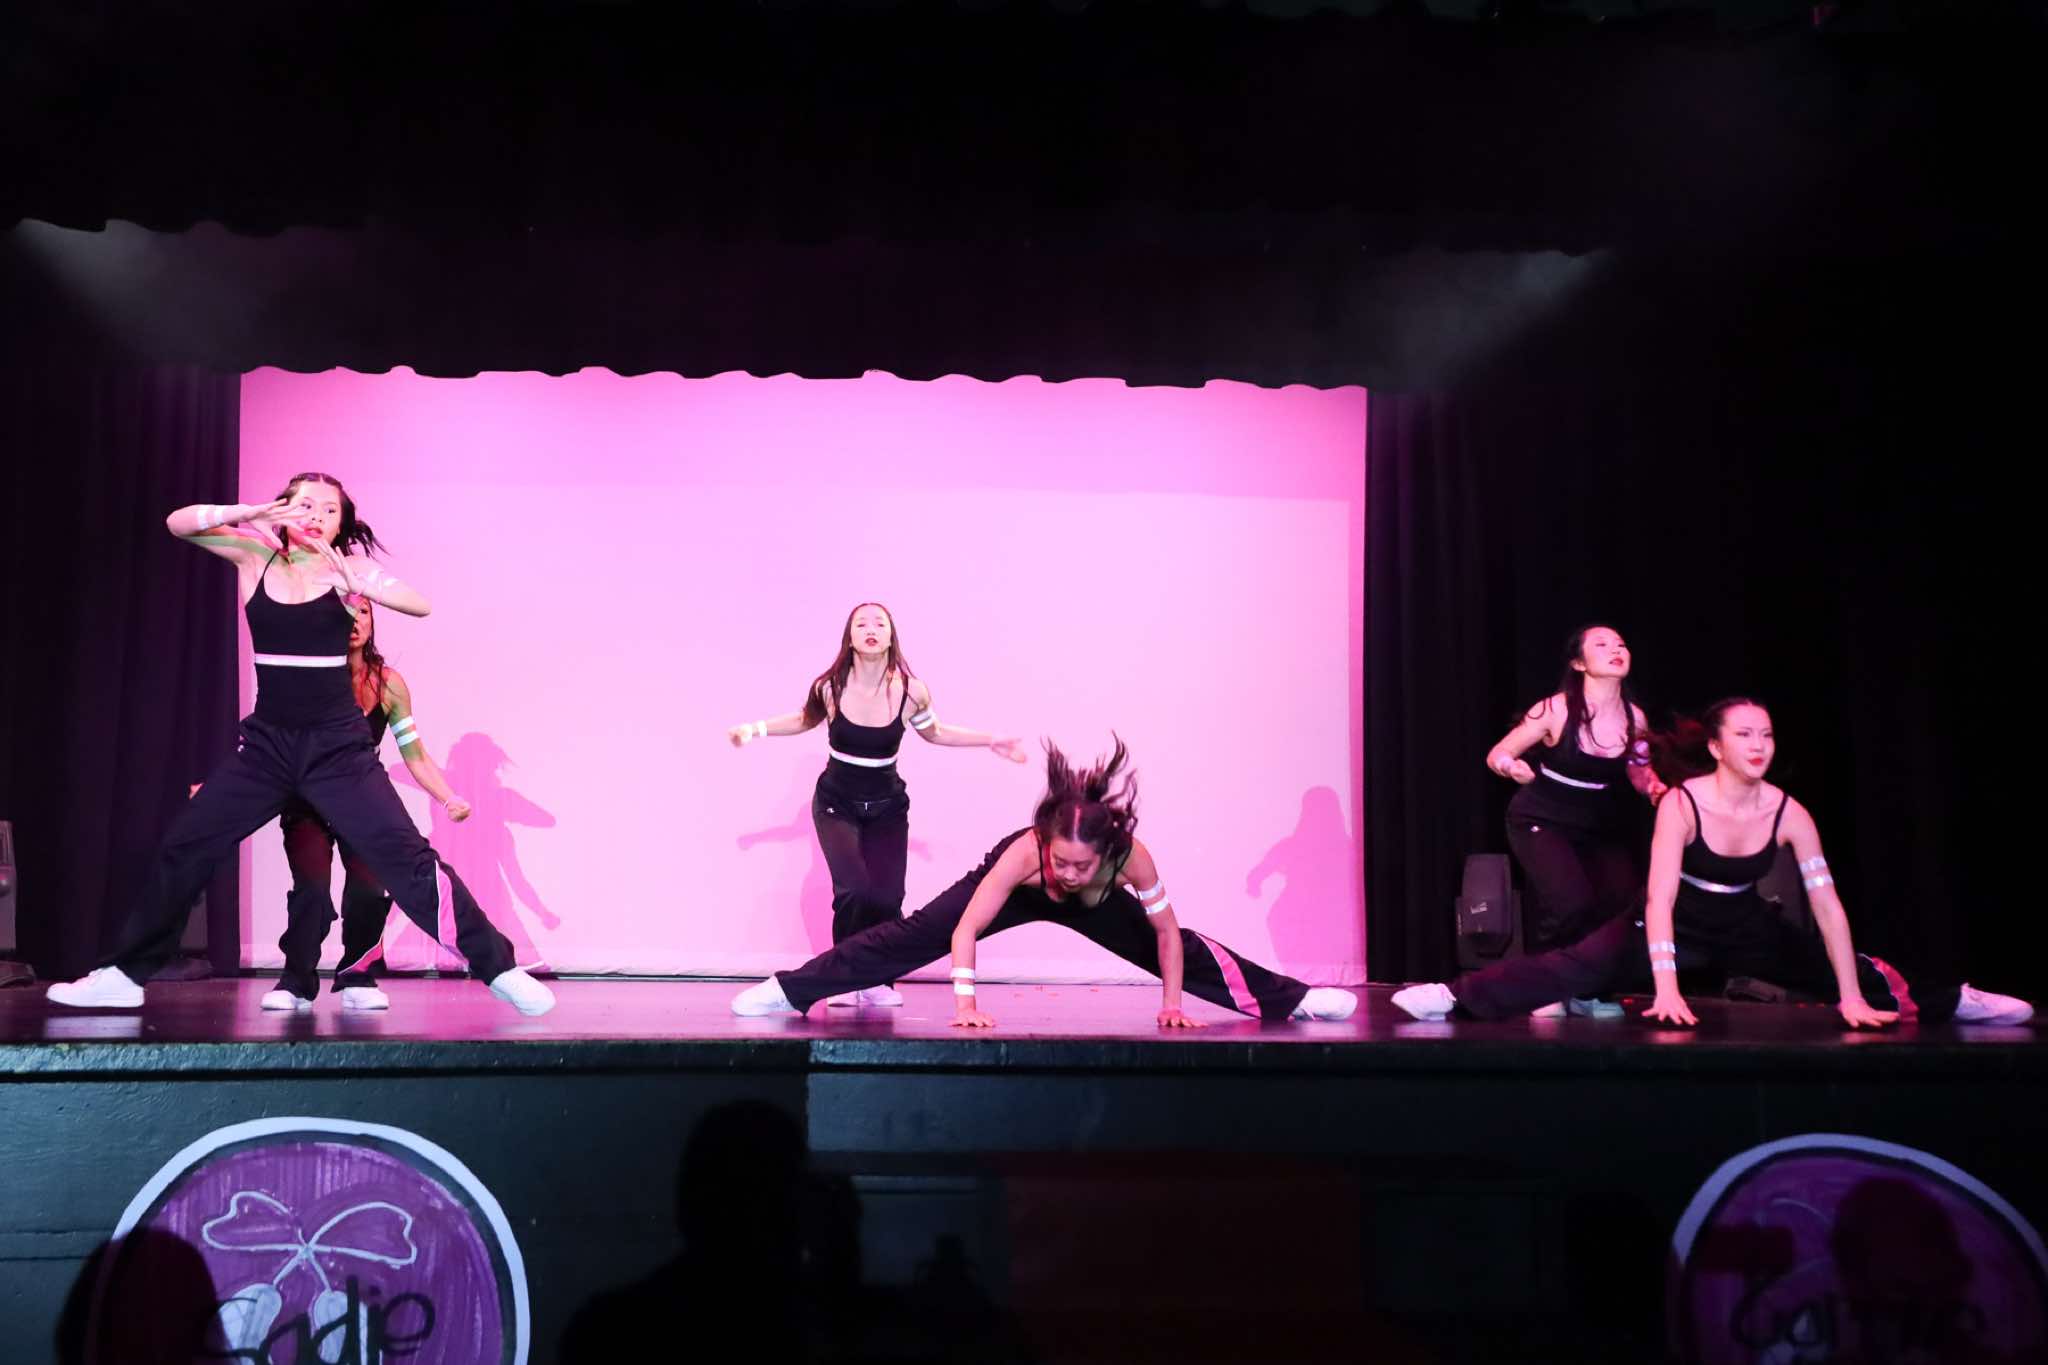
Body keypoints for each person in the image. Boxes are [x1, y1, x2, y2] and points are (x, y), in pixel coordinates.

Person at [46, 474, 554, 1015]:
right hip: (267, 747)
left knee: (405, 858)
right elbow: (178, 523)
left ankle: (498, 968)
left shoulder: (348, 570)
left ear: (340, 526)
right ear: (284, 509)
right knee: (186, 844)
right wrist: (250, 512)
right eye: (305, 504)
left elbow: (418, 604)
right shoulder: (254, 557)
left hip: (337, 750)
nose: (316, 515)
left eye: (329, 510)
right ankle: (125, 975)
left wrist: (361, 583)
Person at [1394, 699, 2032, 1029]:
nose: (1759, 745)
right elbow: (1661, 900)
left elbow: (1827, 906)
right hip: (1669, 919)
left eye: (1767, 734)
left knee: (1837, 972)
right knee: (1574, 967)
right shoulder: (1683, 804)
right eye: (1745, 735)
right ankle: (1452, 997)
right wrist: (1667, 988)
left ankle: (1956, 1001)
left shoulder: (1789, 813)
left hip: (1741, 921)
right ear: (1718, 747)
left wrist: (1845, 994)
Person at [732, 738, 1358, 1027]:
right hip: (1012, 891)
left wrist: (1171, 1005)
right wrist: (966, 1004)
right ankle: (790, 991)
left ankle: (1294, 999)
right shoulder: (1025, 856)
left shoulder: (1131, 860)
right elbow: (967, 928)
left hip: (1096, 907)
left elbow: (1169, 935)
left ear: (1106, 854)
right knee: (906, 937)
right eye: (1061, 860)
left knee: (1183, 948)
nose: (1069, 872)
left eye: (1082, 865)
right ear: (1046, 844)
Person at [729, 602, 1024, 1006]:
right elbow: (803, 719)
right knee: (854, 890)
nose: (871, 629)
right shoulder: (829, 687)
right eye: (861, 624)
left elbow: (936, 732)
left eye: (879, 623)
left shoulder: (911, 691)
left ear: (890, 636)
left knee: (886, 897)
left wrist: (989, 741)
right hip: (837, 803)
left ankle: (876, 983)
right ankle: (841, 982)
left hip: (887, 807)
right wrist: (755, 729)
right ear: (850, 637)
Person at [260, 598, 476, 1013]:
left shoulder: (387, 684)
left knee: (367, 886)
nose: (355, 621)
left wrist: (448, 797)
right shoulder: (308, 678)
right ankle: (296, 981)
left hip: (361, 802)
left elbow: (414, 755)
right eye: (344, 612)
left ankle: (357, 975)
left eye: (363, 612)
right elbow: (270, 740)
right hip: (307, 801)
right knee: (312, 888)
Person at [1483, 624, 1662, 1019]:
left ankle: (1587, 990)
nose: (1616, 649)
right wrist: (1511, 767)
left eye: (1621, 643)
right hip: (1542, 817)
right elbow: (1498, 754)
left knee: (1618, 903)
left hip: (1597, 823)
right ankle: (1542, 987)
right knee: (1570, 902)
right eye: (1602, 644)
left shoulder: (1635, 717)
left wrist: (1656, 789)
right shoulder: (1555, 709)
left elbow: (1639, 771)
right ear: (1579, 663)